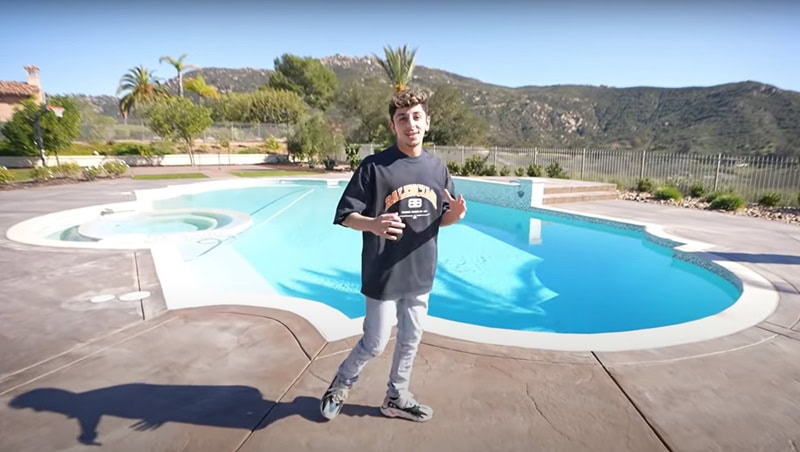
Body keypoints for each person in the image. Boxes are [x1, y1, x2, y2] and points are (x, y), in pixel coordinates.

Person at [319, 89, 467, 423]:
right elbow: (345, 215)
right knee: (375, 342)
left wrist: (454, 215)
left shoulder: (436, 168)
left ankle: (396, 397)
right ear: (393, 125)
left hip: (420, 273)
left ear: (427, 123)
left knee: (411, 339)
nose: (410, 124)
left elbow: (440, 216)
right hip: (383, 275)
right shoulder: (374, 167)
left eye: (416, 117)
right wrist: (372, 223)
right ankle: (342, 383)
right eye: (403, 118)